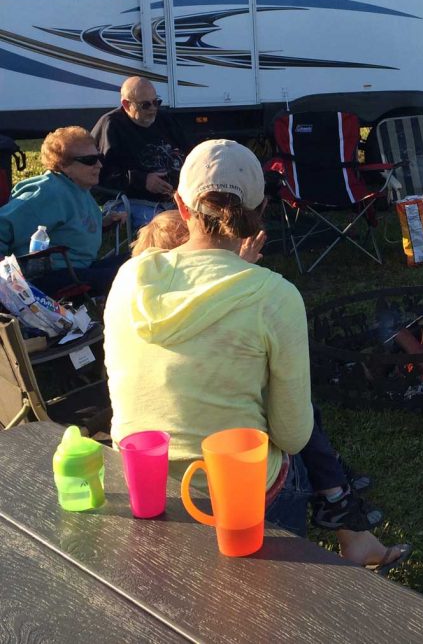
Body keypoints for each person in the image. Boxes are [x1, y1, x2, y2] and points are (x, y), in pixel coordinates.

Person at [105, 140, 409, 572]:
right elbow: (292, 435)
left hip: (141, 484)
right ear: (261, 207)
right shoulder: (274, 296)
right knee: (291, 446)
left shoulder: (131, 276)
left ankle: (354, 535)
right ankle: (343, 538)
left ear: (180, 205)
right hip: (237, 499)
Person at [131, 209, 386, 533]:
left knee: (297, 412)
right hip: (233, 483)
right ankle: (336, 497)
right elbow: (289, 434)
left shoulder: (136, 296)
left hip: (156, 477)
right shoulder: (256, 297)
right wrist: (240, 267)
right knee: (295, 416)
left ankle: (339, 498)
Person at [0, 126, 127, 296]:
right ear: (63, 164)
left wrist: (104, 222)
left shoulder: (78, 188)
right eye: (90, 160)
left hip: (81, 269)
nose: (99, 165)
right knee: (135, 273)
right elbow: (4, 223)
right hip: (52, 278)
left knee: (144, 257)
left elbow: (70, 225)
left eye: (98, 157)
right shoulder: (47, 192)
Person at [91, 76, 189, 230]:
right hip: (135, 200)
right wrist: (143, 181)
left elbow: (190, 152)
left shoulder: (165, 120)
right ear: (126, 104)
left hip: (176, 197)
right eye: (145, 105)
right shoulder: (112, 126)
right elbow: (99, 177)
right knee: (168, 229)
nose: (152, 109)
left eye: (156, 102)